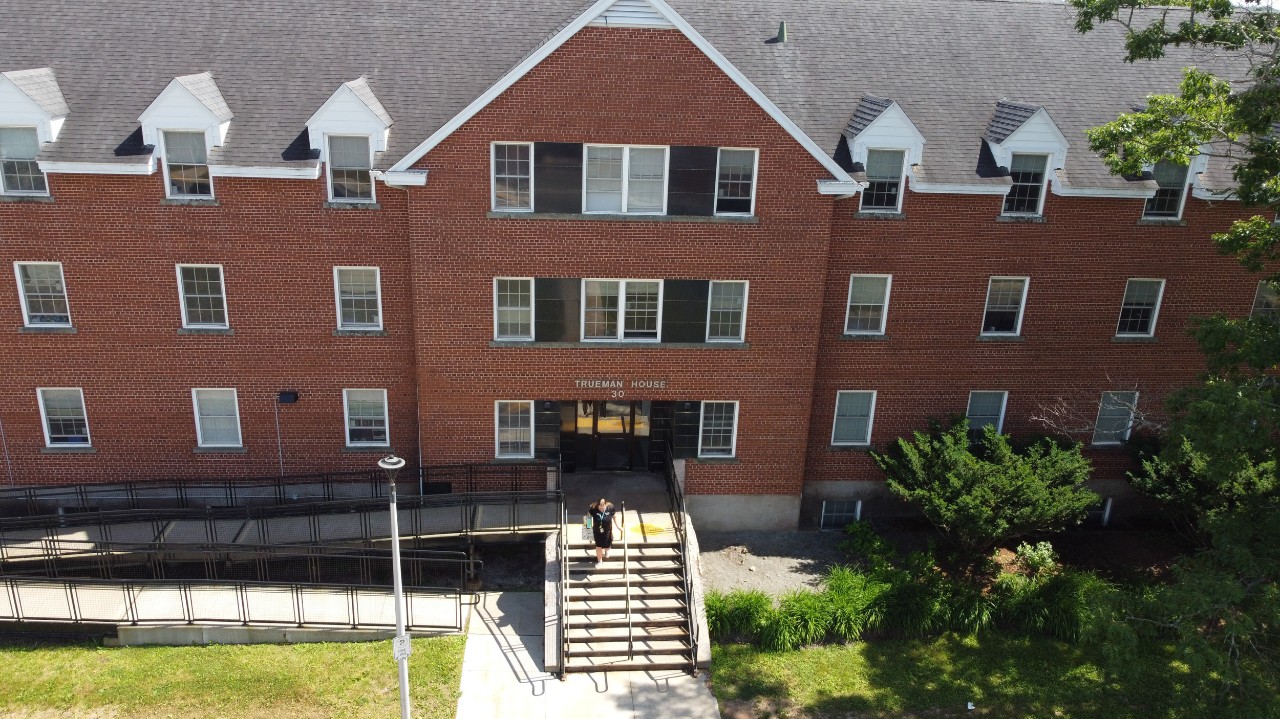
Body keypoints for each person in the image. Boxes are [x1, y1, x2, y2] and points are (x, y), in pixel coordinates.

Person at [588, 497, 621, 567]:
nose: (602, 509)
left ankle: (607, 549)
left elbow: (614, 516)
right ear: (598, 505)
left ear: (606, 505)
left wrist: (618, 526)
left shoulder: (610, 508)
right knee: (598, 546)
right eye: (600, 506)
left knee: (606, 547)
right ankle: (599, 561)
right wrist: (588, 527)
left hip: (607, 531)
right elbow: (588, 517)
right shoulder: (593, 509)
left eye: (604, 507)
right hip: (597, 531)